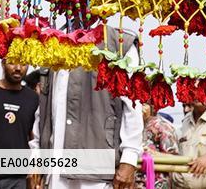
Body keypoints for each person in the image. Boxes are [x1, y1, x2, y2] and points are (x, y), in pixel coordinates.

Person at [31, 27, 144, 189]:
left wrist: (129, 160)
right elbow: (43, 109)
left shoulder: (118, 42)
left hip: (97, 172)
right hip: (55, 170)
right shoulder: (54, 41)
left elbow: (133, 106)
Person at [0, 60, 39, 189]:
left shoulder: (33, 98)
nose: (18, 68)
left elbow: (34, 137)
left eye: (23, 64)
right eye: (12, 62)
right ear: (2, 63)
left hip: (19, 178)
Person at [138, 104, 179, 189]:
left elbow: (175, 159)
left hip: (157, 184)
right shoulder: (130, 126)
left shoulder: (164, 127)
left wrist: (154, 154)